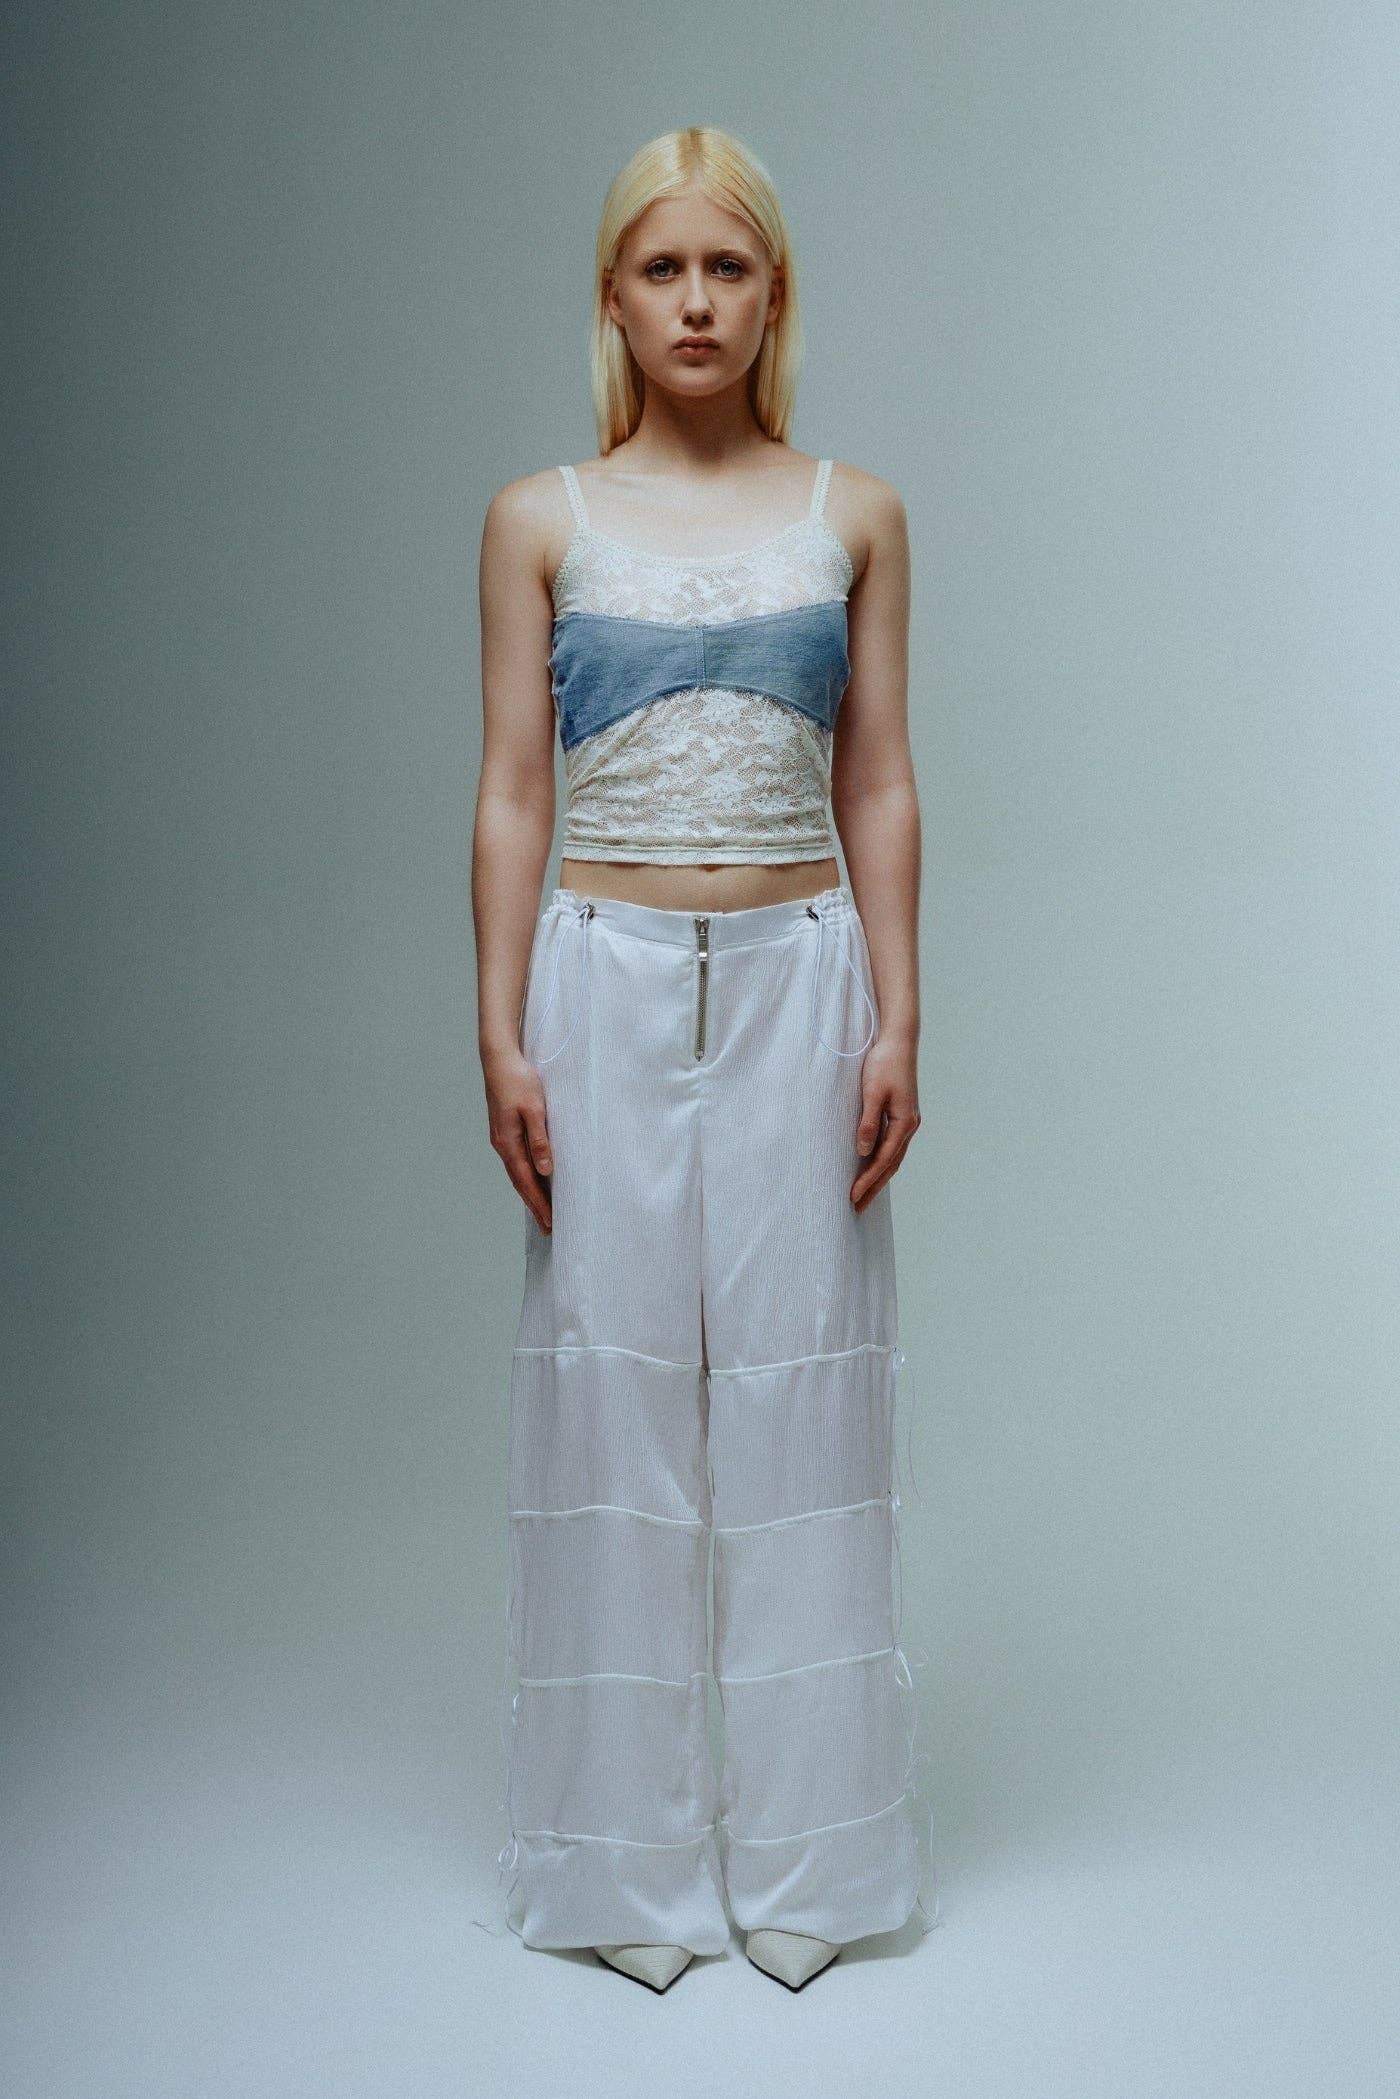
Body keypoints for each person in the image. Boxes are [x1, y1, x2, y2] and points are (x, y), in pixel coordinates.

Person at [472, 124, 935, 1992]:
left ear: (773, 294)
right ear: (612, 294)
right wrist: (497, 1027)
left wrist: (901, 1011)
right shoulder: (540, 521)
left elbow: (878, 778)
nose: (694, 302)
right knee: (617, 1395)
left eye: (726, 269)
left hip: (800, 984)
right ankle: (626, 1875)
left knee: (801, 1398)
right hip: (596, 980)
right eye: (661, 268)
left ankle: (817, 1864)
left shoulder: (853, 513)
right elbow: (513, 789)